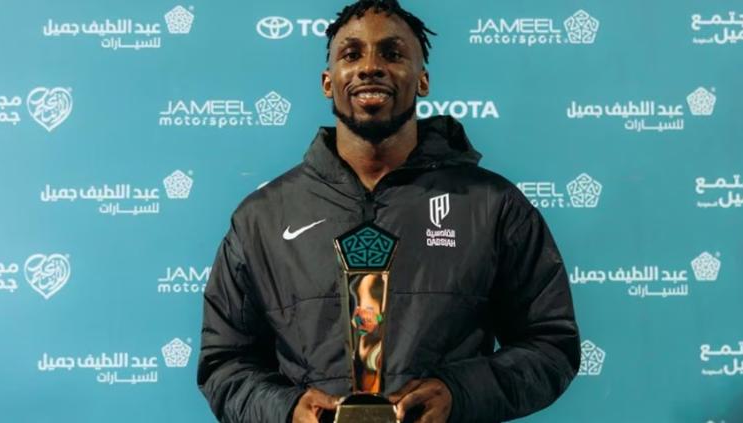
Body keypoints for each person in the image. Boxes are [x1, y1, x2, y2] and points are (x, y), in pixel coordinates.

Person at [197, 1, 581, 422]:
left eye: (392, 54)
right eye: (351, 54)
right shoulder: (263, 218)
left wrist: (458, 393)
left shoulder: (492, 205)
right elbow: (224, 363)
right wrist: (287, 410)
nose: (370, 67)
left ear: (423, 80)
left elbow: (551, 345)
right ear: (328, 81)